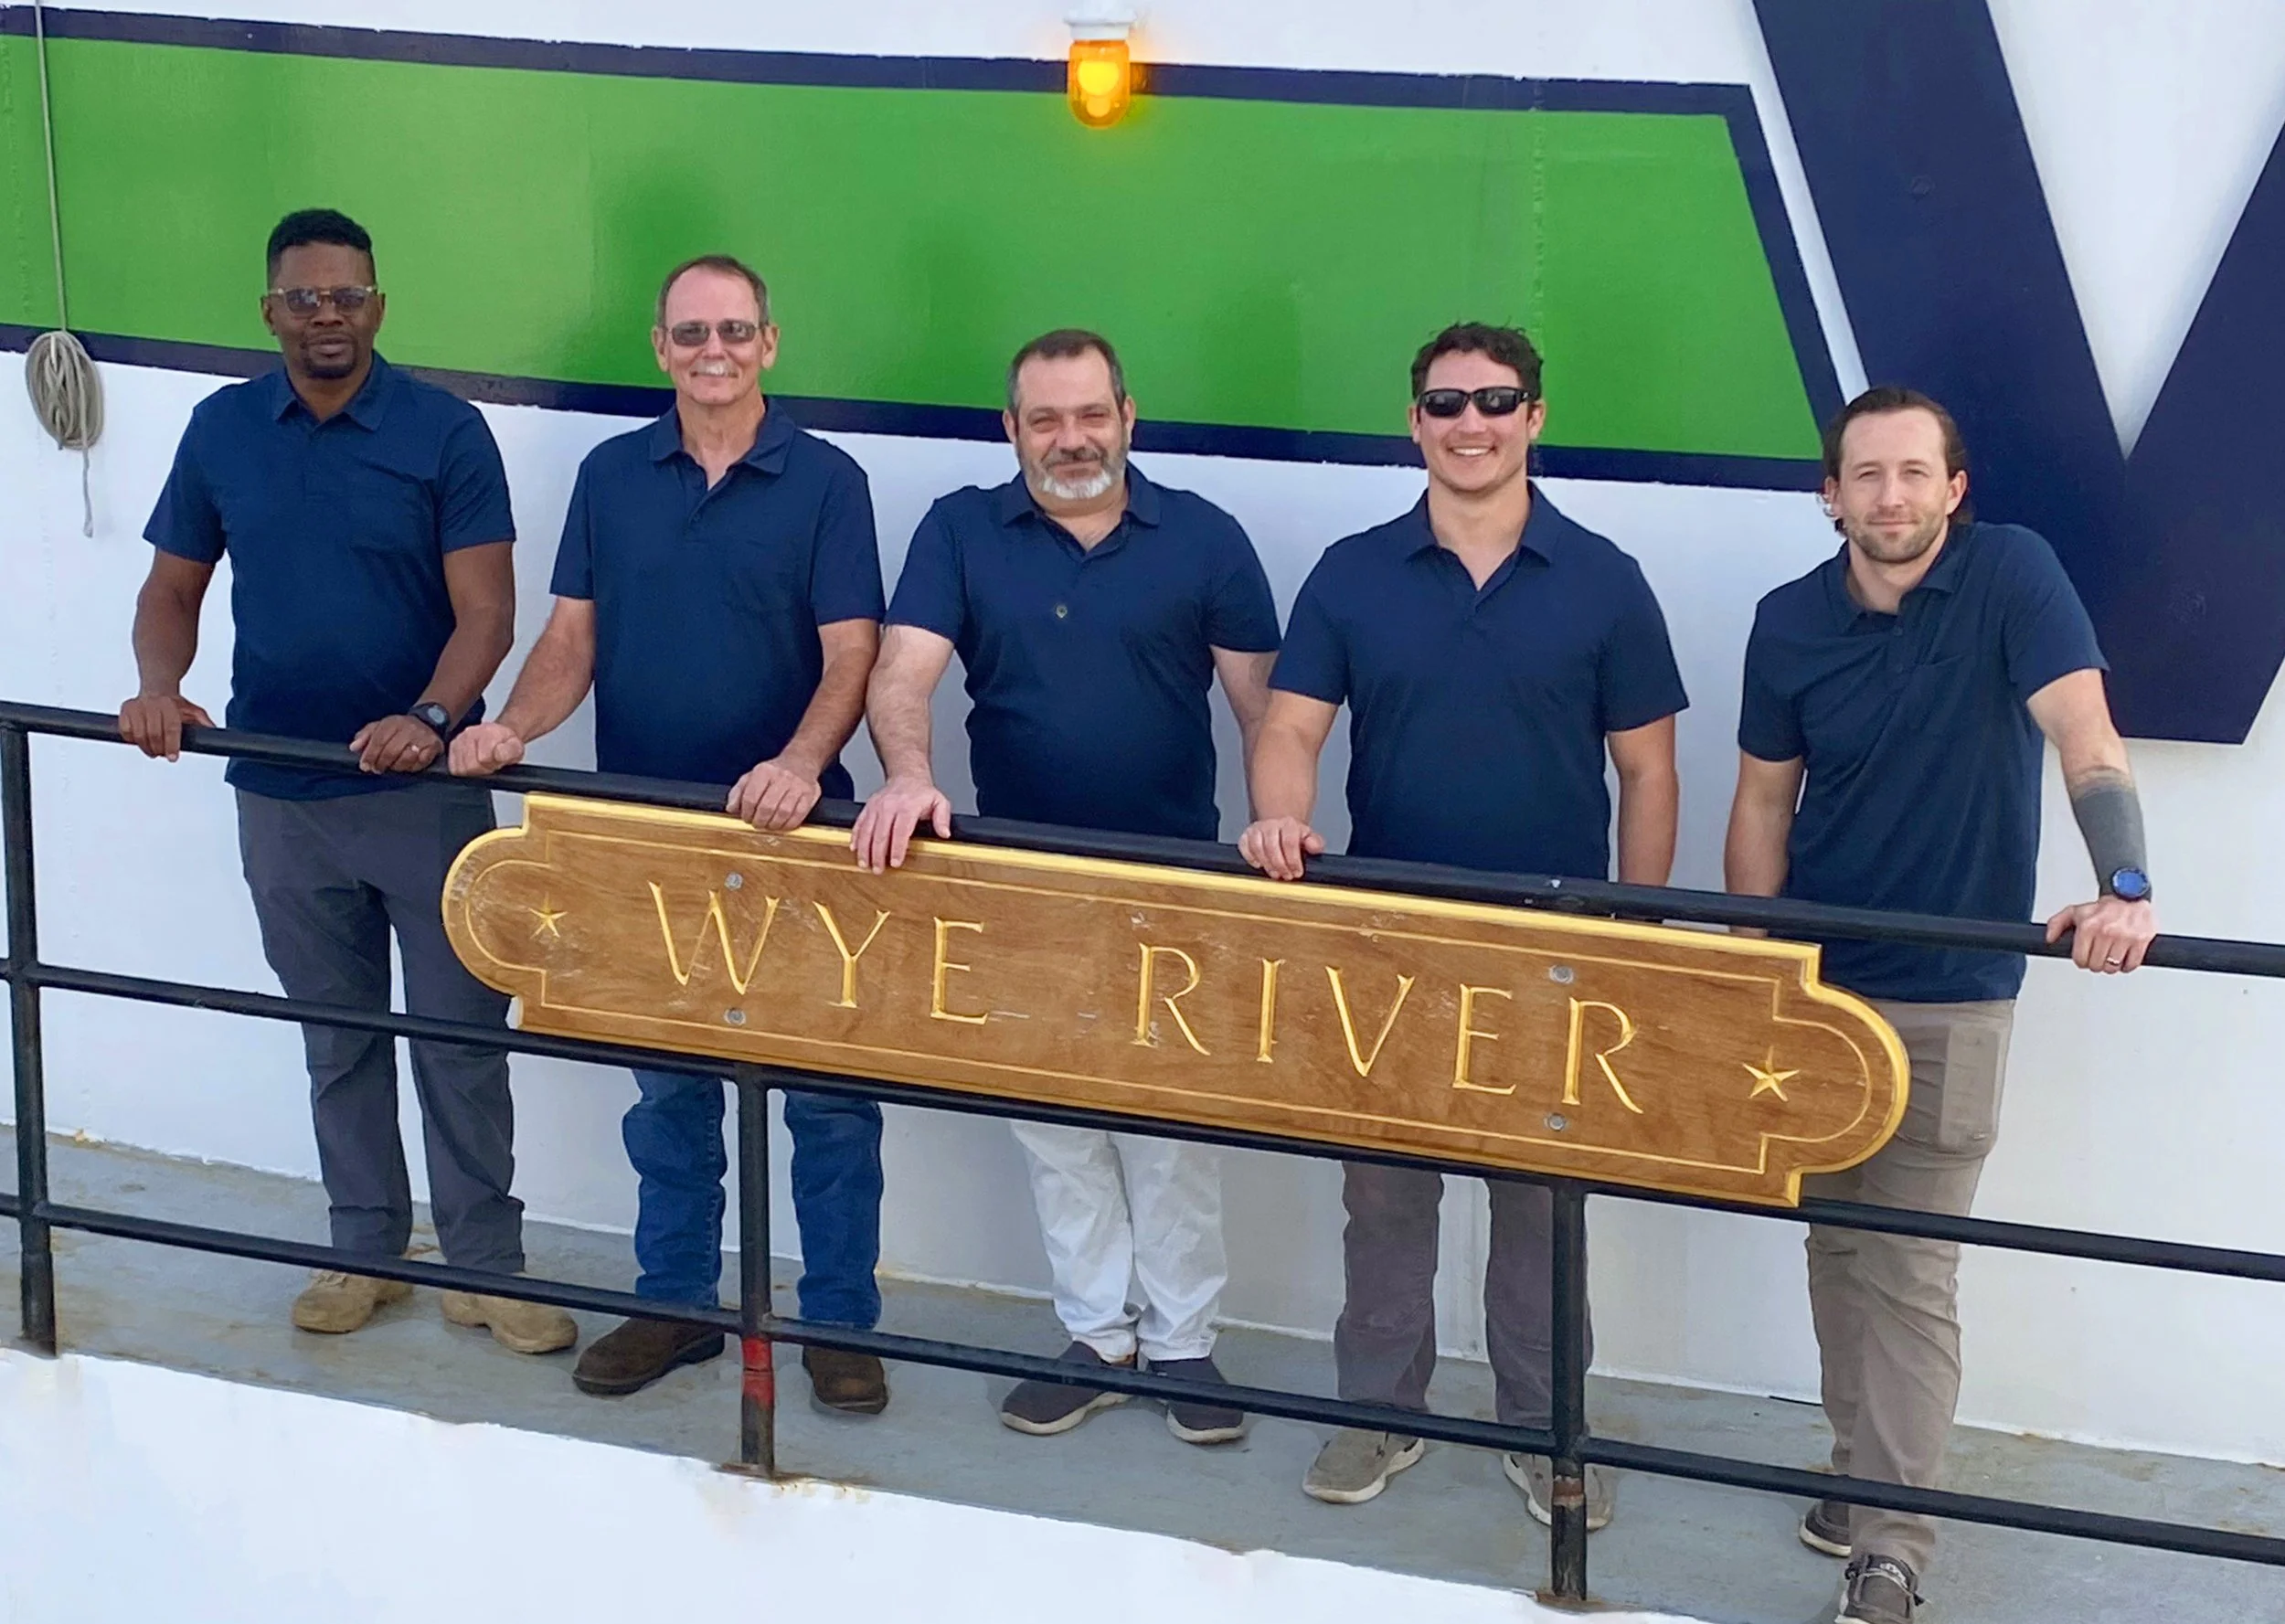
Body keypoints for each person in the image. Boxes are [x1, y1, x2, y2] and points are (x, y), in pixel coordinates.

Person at [1723, 386, 2158, 1624]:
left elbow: (2088, 736)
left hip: (1952, 997)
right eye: (1867, 476)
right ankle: (1861, 1479)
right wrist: (1758, 962)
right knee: (1838, 1246)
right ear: (1832, 494)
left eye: (1915, 474)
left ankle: (1893, 1554)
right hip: (1815, 994)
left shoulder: (2014, 576)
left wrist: (2122, 884)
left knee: (1909, 1269)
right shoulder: (1787, 621)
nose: (1892, 497)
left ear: (1954, 491)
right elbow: (1762, 804)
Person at [1239, 322, 1684, 1522]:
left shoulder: (1603, 578)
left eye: (1496, 401)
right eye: (1447, 403)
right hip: (1390, 947)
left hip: (1553, 953)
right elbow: (1287, 730)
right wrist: (1279, 821)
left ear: (1536, 415)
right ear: (1415, 421)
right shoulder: (1352, 570)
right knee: (1385, 1199)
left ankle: (1548, 1436)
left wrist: (1633, 934)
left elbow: (1649, 773)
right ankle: (1379, 1419)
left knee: (1541, 1209)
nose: (1471, 423)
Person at [120, 208, 574, 1355]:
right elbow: (173, 587)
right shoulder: (222, 429)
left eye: (349, 295)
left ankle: (485, 1268)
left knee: (462, 1039)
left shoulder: (443, 431)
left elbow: (488, 615)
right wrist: (158, 687)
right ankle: (362, 1250)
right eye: (306, 297)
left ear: (380, 304)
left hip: (423, 799)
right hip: (279, 794)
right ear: (270, 310)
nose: (329, 315)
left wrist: (432, 718)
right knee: (337, 1035)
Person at [450, 254, 891, 1411]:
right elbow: (569, 640)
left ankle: (840, 1324)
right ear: (661, 347)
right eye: (692, 331)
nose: (715, 349)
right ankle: (677, 1307)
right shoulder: (610, 475)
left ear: (769, 343)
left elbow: (854, 654)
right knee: (670, 1095)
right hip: (645, 842)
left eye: (735, 330)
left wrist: (800, 765)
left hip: (798, 841)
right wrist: (509, 728)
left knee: (829, 1098)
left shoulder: (829, 482)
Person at [852, 329, 1280, 1445]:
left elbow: (1265, 708)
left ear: (1128, 415)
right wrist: (907, 776)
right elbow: (902, 671)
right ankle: (1099, 1336)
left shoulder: (1204, 537)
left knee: (1169, 1131)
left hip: (1172, 882)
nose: (1070, 438)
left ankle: (1185, 1346)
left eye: (1089, 414)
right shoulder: (958, 528)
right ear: (1012, 430)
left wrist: (1279, 820)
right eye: (1044, 419)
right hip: (1019, 884)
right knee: (1055, 1129)